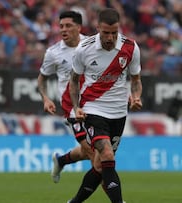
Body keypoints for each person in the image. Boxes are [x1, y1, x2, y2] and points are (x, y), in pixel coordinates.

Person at [68, 8, 143, 203]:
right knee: (107, 153)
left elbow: (135, 79)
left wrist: (136, 96)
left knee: (101, 165)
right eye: (106, 32)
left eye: (114, 33)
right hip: (93, 108)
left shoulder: (131, 47)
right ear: (98, 28)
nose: (110, 37)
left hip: (119, 112)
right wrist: (77, 107)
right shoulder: (84, 48)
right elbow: (74, 81)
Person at [37, 11, 94, 183]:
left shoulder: (92, 45)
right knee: (95, 154)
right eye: (61, 26)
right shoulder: (53, 53)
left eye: (68, 26)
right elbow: (42, 79)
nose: (63, 30)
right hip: (72, 109)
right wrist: (46, 98)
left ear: (79, 27)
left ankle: (61, 160)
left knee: (89, 151)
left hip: (96, 104)